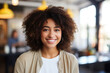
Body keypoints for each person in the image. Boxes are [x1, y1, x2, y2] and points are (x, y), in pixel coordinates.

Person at [14, 6, 79, 73]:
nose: (51, 35)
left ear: (63, 33)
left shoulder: (71, 60)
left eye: (56, 30)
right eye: (46, 29)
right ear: (37, 32)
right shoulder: (23, 60)